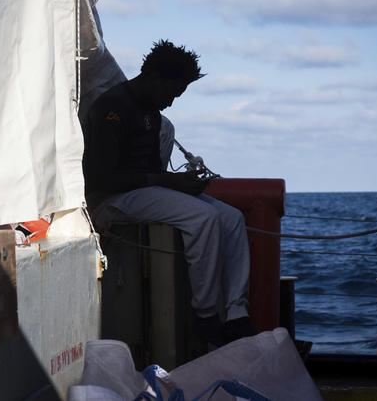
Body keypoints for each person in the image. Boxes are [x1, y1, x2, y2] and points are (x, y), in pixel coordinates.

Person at [82, 40, 257, 345]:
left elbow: (154, 175)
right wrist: (168, 182)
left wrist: (177, 183)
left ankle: (236, 314)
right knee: (203, 218)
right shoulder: (112, 108)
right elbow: (102, 178)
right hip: (113, 200)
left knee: (231, 218)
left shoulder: (152, 114)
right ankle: (206, 316)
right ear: (154, 78)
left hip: (144, 191)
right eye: (171, 93)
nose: (171, 103)